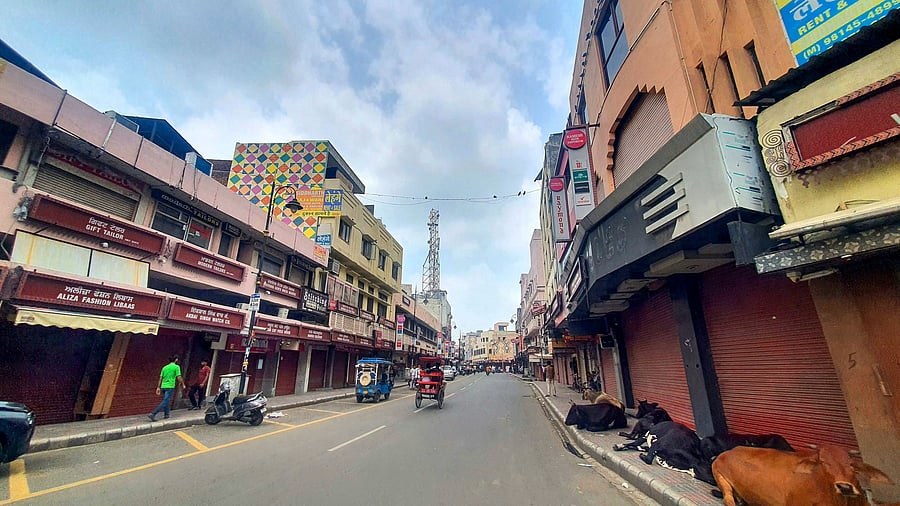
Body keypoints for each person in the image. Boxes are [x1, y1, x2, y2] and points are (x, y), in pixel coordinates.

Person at [149, 355, 186, 422]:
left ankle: (166, 415)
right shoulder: (176, 367)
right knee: (165, 401)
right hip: (170, 386)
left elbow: (160, 378)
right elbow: (179, 377)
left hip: (163, 386)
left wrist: (158, 387)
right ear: (176, 360)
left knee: (167, 400)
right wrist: (183, 384)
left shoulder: (164, 367)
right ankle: (153, 413)